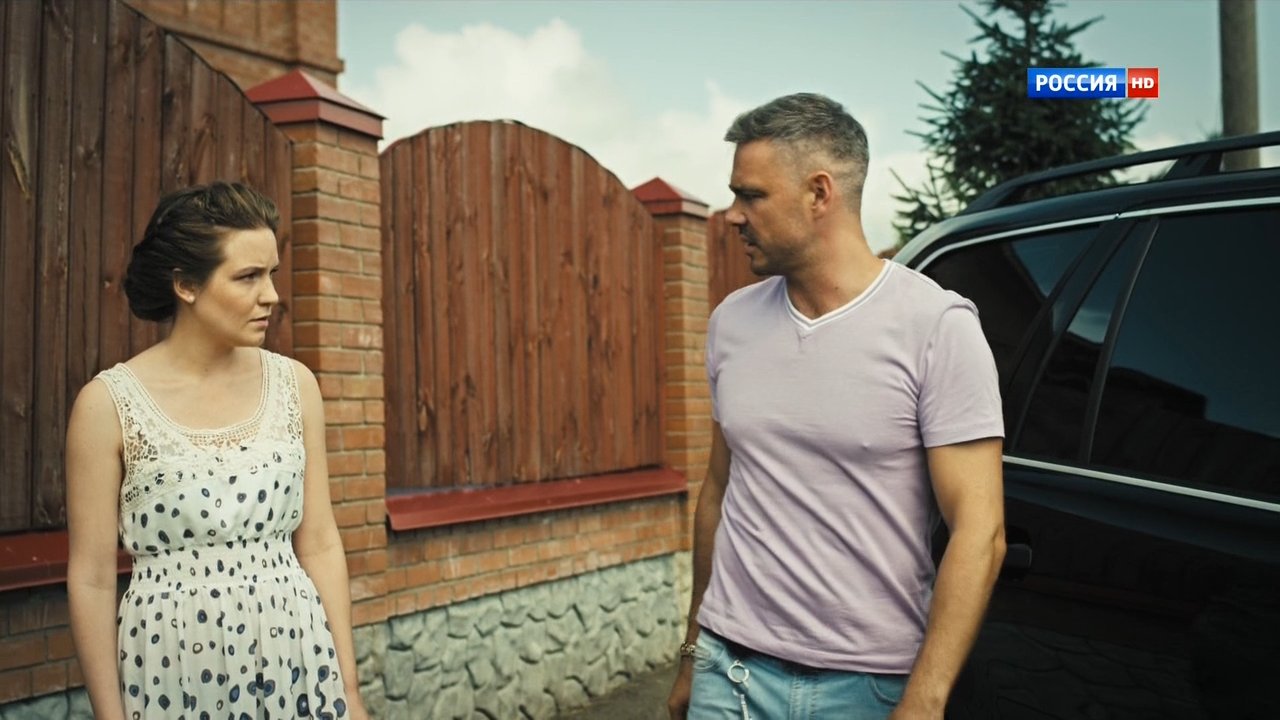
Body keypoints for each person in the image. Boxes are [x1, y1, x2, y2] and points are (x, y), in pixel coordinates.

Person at [667, 93, 1007, 720]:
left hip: (865, 688)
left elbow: (980, 531)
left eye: (751, 195)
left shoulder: (937, 326)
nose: (733, 215)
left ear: (819, 193)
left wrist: (926, 698)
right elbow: (718, 490)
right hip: (729, 671)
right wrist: (692, 651)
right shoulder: (731, 323)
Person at [65, 182, 367, 719]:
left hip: (294, 662)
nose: (271, 295)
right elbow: (90, 577)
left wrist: (349, 691)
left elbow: (320, 543)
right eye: (248, 276)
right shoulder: (107, 405)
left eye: (271, 273)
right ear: (186, 284)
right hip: (172, 674)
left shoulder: (295, 386)